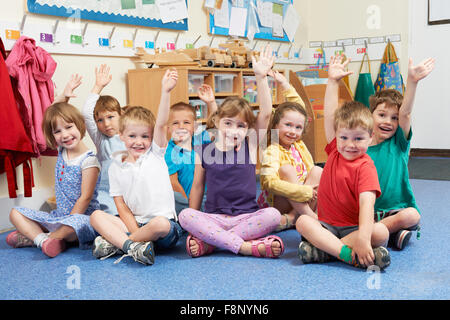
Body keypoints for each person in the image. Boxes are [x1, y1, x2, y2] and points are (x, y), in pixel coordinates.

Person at [178, 45, 284, 259]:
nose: (234, 131)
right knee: (186, 215)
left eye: (241, 126)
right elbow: (197, 187)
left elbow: (265, 113)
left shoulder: (251, 145)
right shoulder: (205, 150)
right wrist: (194, 223)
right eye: (228, 123)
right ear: (216, 121)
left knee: (273, 215)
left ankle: (213, 242)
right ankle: (245, 246)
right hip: (214, 218)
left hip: (246, 218)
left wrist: (261, 77)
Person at [296, 54, 391, 269]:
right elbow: (330, 116)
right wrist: (332, 82)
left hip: (353, 228)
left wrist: (364, 239)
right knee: (302, 222)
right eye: (344, 138)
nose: (350, 144)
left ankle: (323, 251)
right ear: (337, 137)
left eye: (358, 138)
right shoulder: (334, 152)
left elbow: (367, 205)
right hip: (326, 225)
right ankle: (348, 255)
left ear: (370, 137)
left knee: (381, 232)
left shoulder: (366, 166)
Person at [89, 68, 181, 266]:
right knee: (96, 216)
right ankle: (133, 246)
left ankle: (120, 244)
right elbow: (121, 207)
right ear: (121, 136)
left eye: (145, 136)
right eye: (132, 136)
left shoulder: (156, 155)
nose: (139, 142)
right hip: (134, 223)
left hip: (162, 228)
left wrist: (165, 92)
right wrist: (134, 230)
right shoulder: (115, 166)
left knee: (160, 224)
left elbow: (162, 123)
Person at [7, 102, 101, 258]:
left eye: (69, 127)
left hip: (81, 219)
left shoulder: (89, 161)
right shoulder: (62, 149)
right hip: (57, 216)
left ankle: (41, 237)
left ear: (80, 125)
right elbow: (51, 113)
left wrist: (68, 222)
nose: (64, 135)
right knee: (14, 213)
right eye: (58, 131)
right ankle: (43, 240)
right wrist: (66, 93)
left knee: (73, 227)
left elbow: (85, 198)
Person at [367, 57, 434, 250]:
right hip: (368, 210)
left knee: (412, 215)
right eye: (381, 115)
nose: (388, 121)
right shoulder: (361, 145)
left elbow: (405, 114)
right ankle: (391, 235)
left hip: (396, 211)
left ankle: (377, 232)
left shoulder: (399, 143)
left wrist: (412, 82)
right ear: (370, 115)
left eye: (393, 118)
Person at [258, 70, 323, 231]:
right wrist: (301, 191)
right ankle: (308, 216)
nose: (293, 131)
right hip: (280, 201)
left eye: (298, 127)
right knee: (287, 170)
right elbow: (269, 182)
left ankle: (294, 217)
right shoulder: (273, 147)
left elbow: (300, 110)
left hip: (302, 198)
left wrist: (284, 84)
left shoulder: (298, 144)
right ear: (275, 126)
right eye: (288, 125)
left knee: (317, 170)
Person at [165, 84, 217, 214]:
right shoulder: (169, 151)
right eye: (175, 123)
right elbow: (174, 183)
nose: (181, 127)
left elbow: (217, 130)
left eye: (186, 123)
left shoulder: (199, 140)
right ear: (168, 128)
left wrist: (211, 103)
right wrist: (190, 207)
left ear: (194, 127)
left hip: (208, 198)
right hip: (186, 201)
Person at [82, 64, 126, 215]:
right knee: (105, 213)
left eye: (110, 117)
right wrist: (97, 86)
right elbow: (87, 114)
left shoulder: (132, 137)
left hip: (130, 192)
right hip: (107, 194)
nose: (106, 124)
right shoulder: (101, 139)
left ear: (121, 114)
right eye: (100, 120)